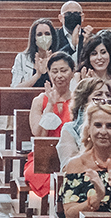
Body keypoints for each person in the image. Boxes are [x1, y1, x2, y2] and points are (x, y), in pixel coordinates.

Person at [24, 53, 77, 201]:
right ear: (49, 73)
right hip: (43, 158)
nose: (59, 75)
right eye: (54, 71)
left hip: (70, 155)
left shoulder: (78, 100)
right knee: (37, 175)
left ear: (72, 72)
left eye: (64, 70)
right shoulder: (39, 100)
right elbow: (39, 134)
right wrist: (50, 105)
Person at [55, 77, 110, 168]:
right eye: (99, 95)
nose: (105, 99)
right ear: (84, 100)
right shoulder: (70, 128)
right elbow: (68, 165)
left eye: (108, 95)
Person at [11, 17, 59, 88]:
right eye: (39, 34)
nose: (44, 37)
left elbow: (65, 88)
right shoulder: (21, 58)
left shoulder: (59, 58)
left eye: (47, 34)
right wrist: (37, 75)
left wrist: (49, 70)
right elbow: (15, 88)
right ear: (34, 38)